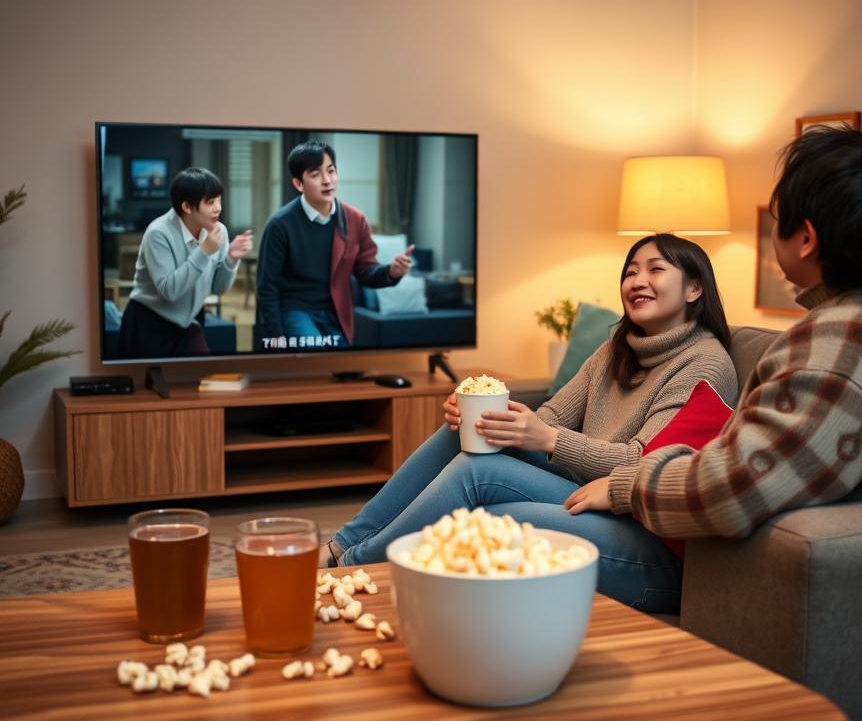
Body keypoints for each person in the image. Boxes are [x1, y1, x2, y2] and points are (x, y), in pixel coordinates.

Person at [320, 234, 738, 612]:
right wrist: (501, 422)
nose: (637, 281)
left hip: (646, 540)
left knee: (476, 474)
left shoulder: (703, 364)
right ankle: (339, 549)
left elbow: (640, 462)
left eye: (656, 269)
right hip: (584, 494)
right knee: (468, 435)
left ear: (694, 288)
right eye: (630, 272)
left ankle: (354, 567)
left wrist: (549, 439)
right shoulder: (618, 348)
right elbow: (553, 416)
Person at [612, 126, 862, 541]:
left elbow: (725, 495)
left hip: (704, 552)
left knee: (521, 511)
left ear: (806, 239)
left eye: (778, 220)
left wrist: (628, 486)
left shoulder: (840, 351)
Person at [255, 141, 414, 349]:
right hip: (296, 310)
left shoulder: (355, 219)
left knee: (344, 370)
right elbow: (267, 287)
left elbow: (365, 270)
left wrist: (392, 272)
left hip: (336, 312)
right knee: (315, 359)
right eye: (315, 174)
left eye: (331, 171)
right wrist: (276, 338)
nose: (327, 181)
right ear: (298, 184)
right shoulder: (280, 225)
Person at [117, 167, 252, 358]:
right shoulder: (158, 233)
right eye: (210, 202)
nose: (218, 208)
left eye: (219, 200)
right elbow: (169, 291)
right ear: (187, 207)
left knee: (197, 380)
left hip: (189, 322)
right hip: (149, 322)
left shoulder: (218, 230)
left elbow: (218, 288)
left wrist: (231, 258)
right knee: (147, 385)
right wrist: (204, 251)